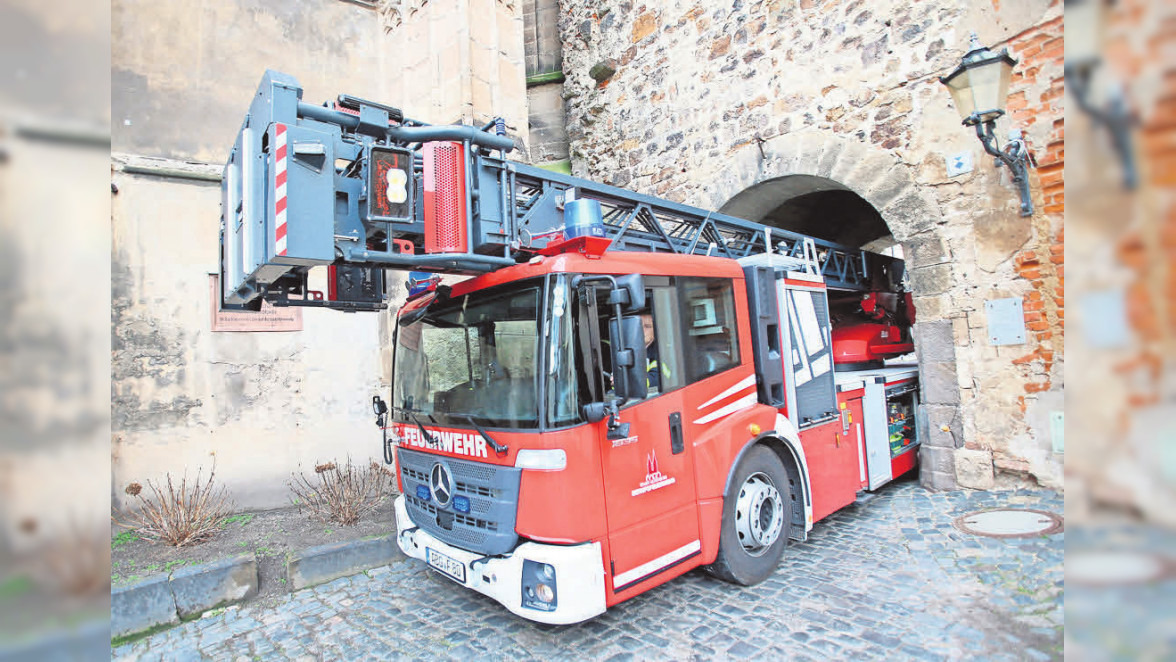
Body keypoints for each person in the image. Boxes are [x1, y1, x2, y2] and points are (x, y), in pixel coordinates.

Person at [642, 313, 671, 391]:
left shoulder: (663, 351)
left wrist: (627, 381)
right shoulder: (625, 350)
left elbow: (656, 380)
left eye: (647, 326)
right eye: (638, 326)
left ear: (656, 330)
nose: (641, 330)